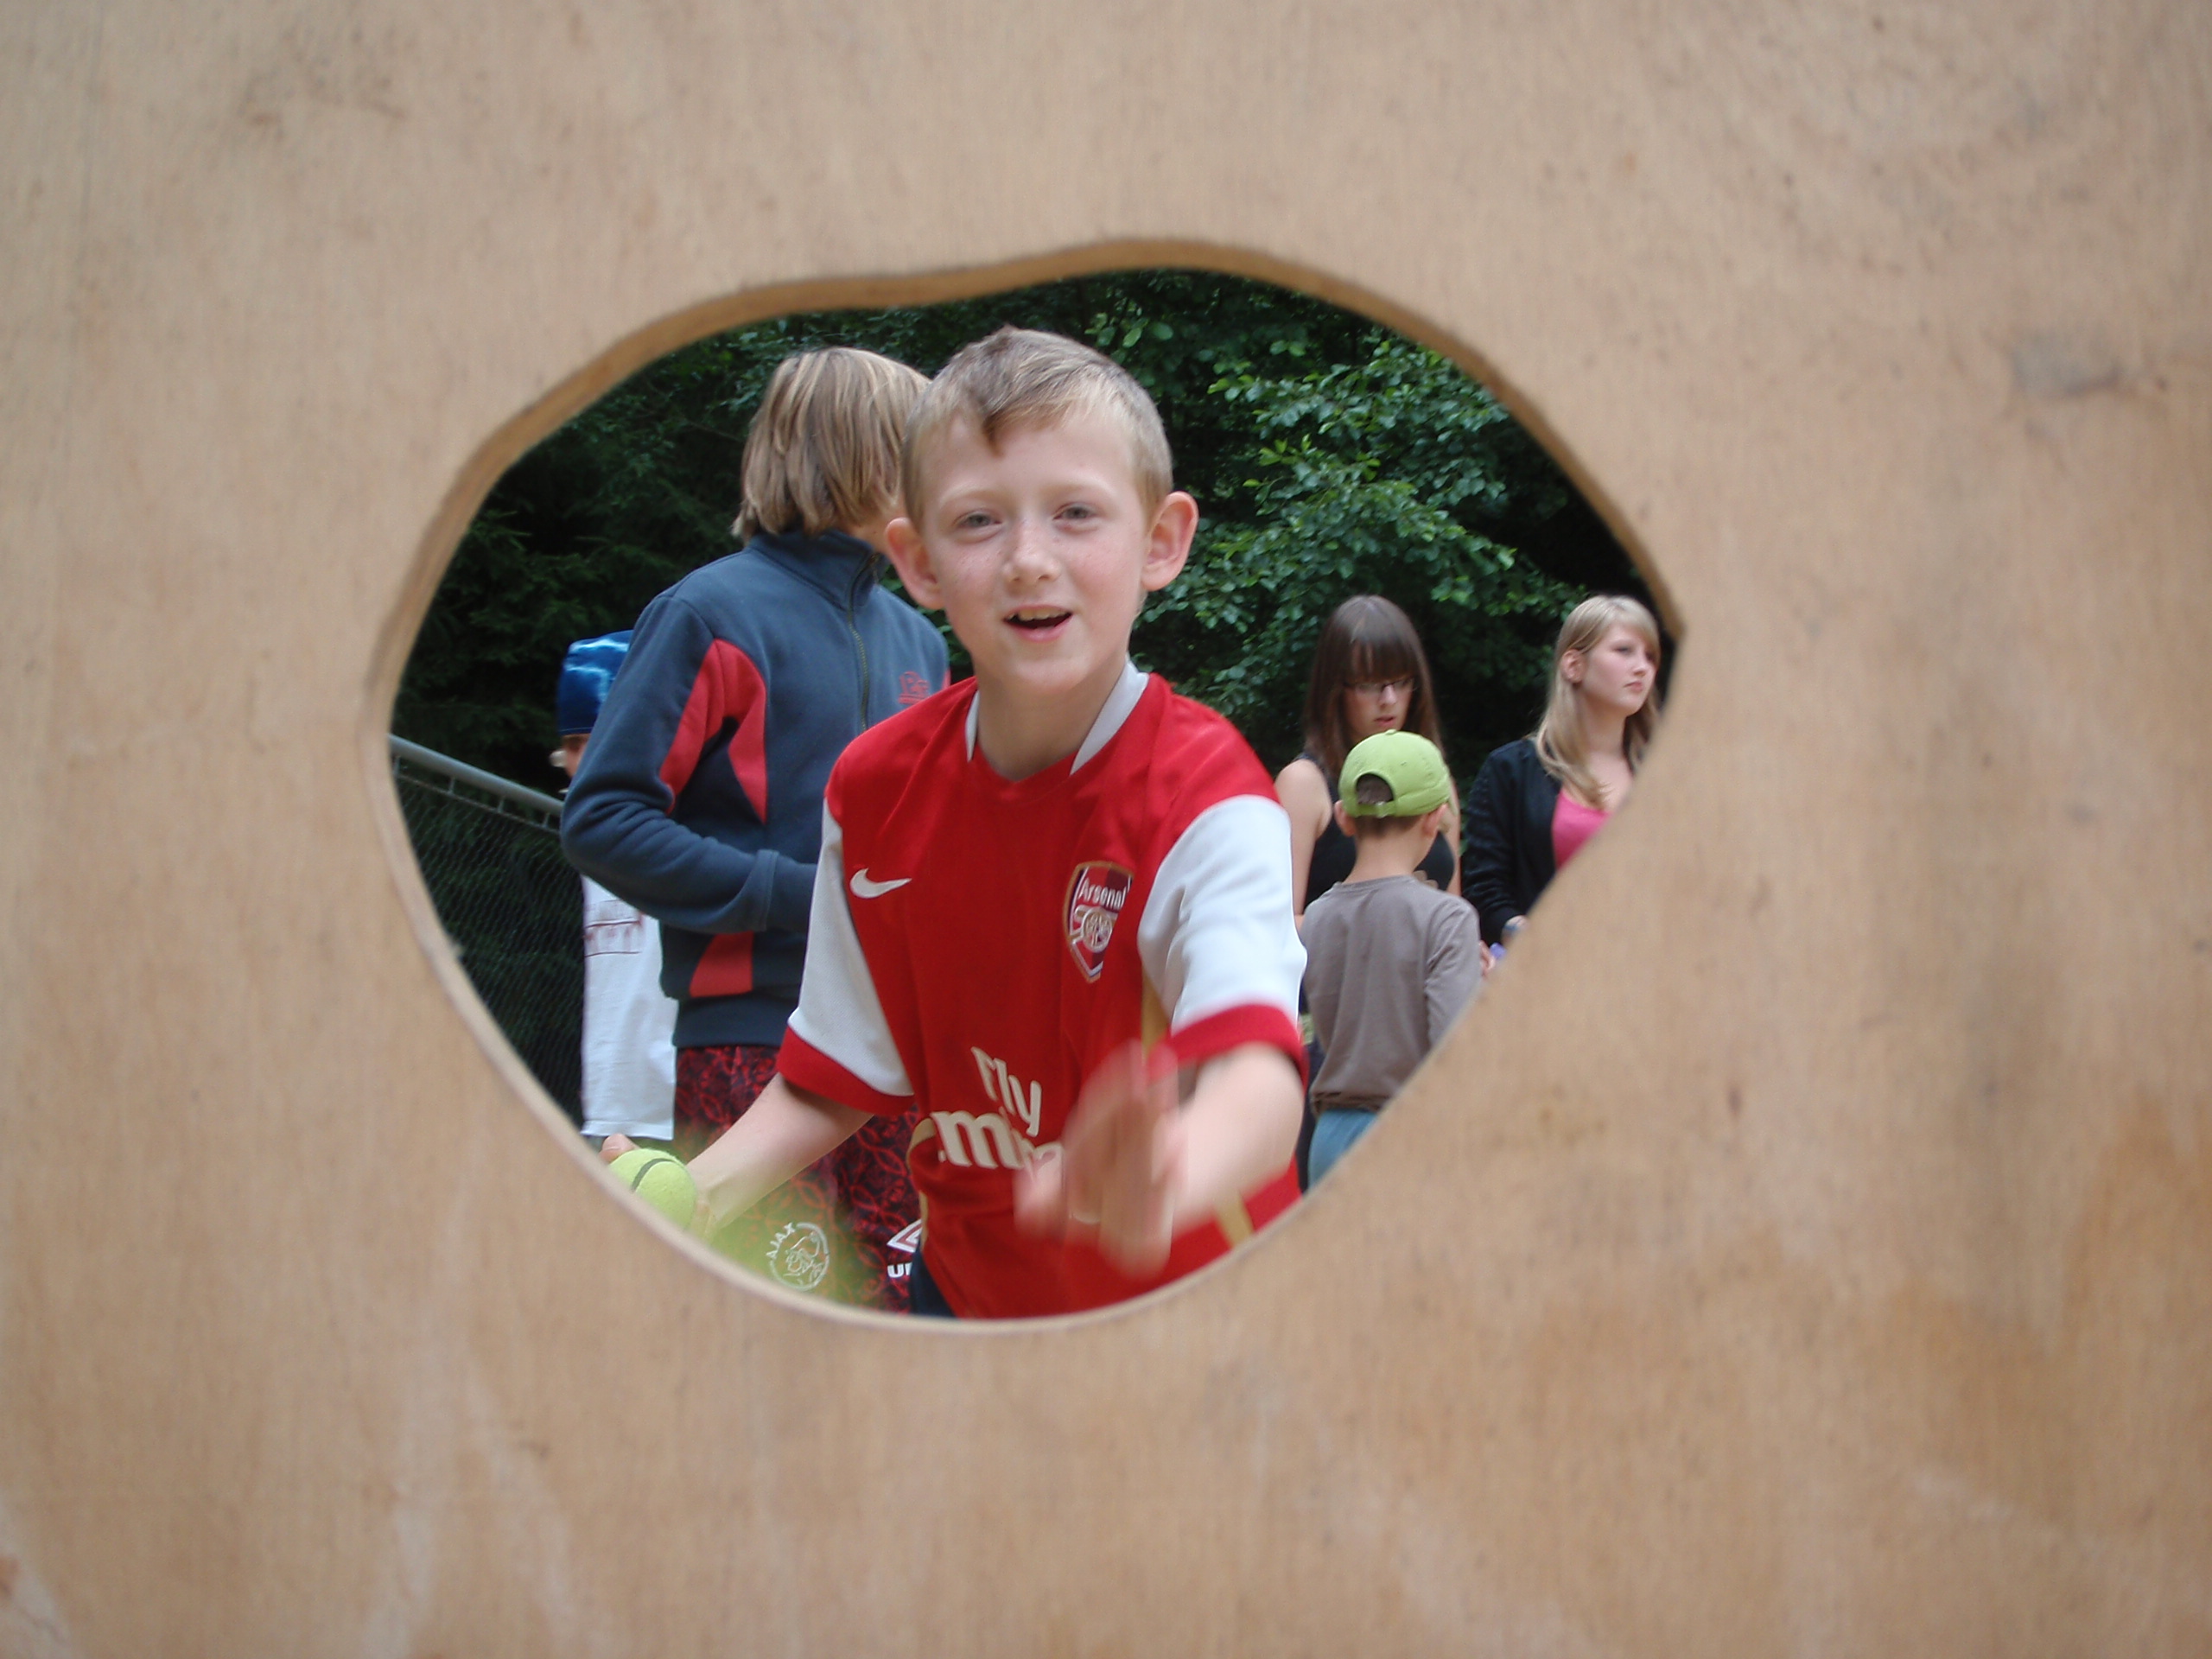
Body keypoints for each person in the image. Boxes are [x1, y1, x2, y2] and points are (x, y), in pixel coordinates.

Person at [651, 326, 1307, 1319]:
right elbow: (833, 1078)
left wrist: (1168, 1168)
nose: (1028, 560)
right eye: (978, 521)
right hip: (963, 1313)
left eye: (1075, 512)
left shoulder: (1209, 795)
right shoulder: (872, 790)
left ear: (1161, 542)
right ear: (915, 562)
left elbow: (1256, 1072)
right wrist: (686, 1200)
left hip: (1189, 1324)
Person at [563, 347, 949, 1312]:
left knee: (895, 1331)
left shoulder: (921, 638)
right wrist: (798, 894)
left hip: (897, 1054)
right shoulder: (708, 613)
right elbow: (603, 819)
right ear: (860, 454)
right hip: (749, 1039)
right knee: (765, 1339)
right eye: (921, 450)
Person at [1300, 730, 1485, 1185]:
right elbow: (1453, 1055)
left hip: (1329, 1138)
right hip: (1410, 1136)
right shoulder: (1447, 918)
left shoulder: (1317, 917)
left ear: (1343, 818)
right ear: (1434, 820)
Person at [1463, 594, 1662, 949]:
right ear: (1573, 665)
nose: (1642, 667)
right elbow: (1484, 890)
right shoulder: (1511, 770)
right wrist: (1527, 936)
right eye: (1624, 651)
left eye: (1650, 656)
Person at [551, 630, 677, 1148]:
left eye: (598, 740)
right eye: (572, 745)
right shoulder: (589, 837)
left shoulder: (686, 822)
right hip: (609, 1109)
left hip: (678, 1106)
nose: (584, 761)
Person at [1275, 595, 1459, 924]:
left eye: (1401, 682)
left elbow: (1455, 912)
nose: (1389, 699)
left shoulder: (1436, 778)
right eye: (1369, 685)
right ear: (1334, 689)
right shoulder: (1304, 784)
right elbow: (1277, 926)